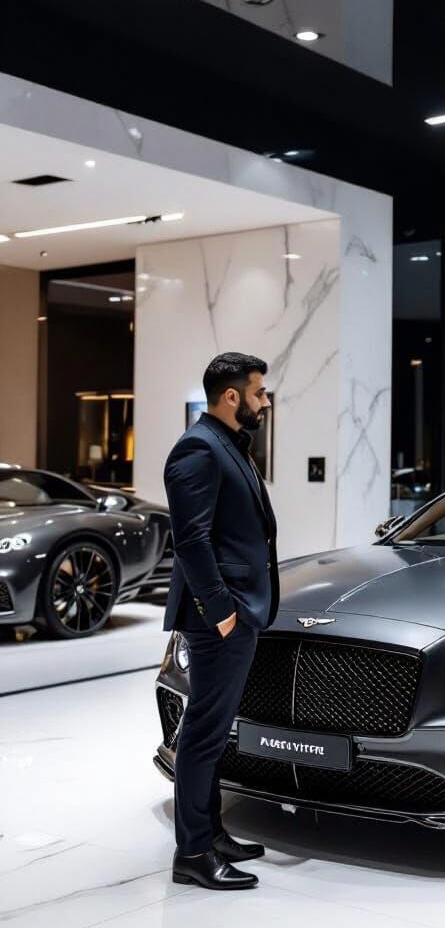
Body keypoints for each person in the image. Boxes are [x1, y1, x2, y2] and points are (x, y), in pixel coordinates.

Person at [163, 352, 278, 888]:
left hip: (236, 610)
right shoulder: (198, 448)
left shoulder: (227, 445)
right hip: (219, 617)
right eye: (258, 393)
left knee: (212, 729)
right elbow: (190, 540)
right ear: (231, 397)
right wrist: (222, 613)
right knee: (203, 734)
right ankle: (192, 854)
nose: (264, 401)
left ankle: (211, 834)